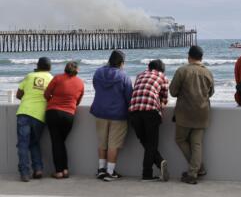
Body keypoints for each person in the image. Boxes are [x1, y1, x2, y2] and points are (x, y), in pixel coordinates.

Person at [169, 46, 214, 185]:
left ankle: (196, 169)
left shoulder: (182, 71)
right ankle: (194, 171)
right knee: (197, 143)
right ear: (201, 57)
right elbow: (211, 93)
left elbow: (173, 91)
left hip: (184, 113)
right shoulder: (208, 72)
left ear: (189, 56)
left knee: (180, 139)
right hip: (202, 113)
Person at [90, 50, 133, 182]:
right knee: (113, 144)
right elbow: (129, 96)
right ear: (121, 63)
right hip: (117, 114)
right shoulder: (123, 76)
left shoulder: (98, 72)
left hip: (99, 111)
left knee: (102, 142)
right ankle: (110, 172)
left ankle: (101, 170)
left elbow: (95, 86)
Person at [129, 59, 170, 182]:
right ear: (161, 69)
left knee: (145, 142)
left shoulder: (139, 75)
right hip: (150, 112)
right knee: (151, 144)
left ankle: (159, 161)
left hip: (134, 112)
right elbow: (164, 98)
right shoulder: (162, 77)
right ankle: (147, 174)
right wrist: (161, 103)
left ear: (149, 67)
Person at [44, 61, 84, 179]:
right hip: (69, 115)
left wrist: (53, 100)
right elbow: (78, 101)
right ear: (77, 70)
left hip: (53, 112)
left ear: (65, 69)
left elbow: (46, 94)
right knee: (61, 142)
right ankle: (65, 170)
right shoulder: (80, 83)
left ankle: (59, 172)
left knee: (57, 142)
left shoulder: (57, 78)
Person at [16, 57, 53, 182]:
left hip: (24, 112)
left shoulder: (29, 76)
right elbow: (52, 97)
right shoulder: (51, 78)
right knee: (34, 142)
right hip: (39, 116)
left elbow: (18, 95)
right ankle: (38, 170)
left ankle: (25, 173)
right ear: (50, 67)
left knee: (23, 144)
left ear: (37, 66)